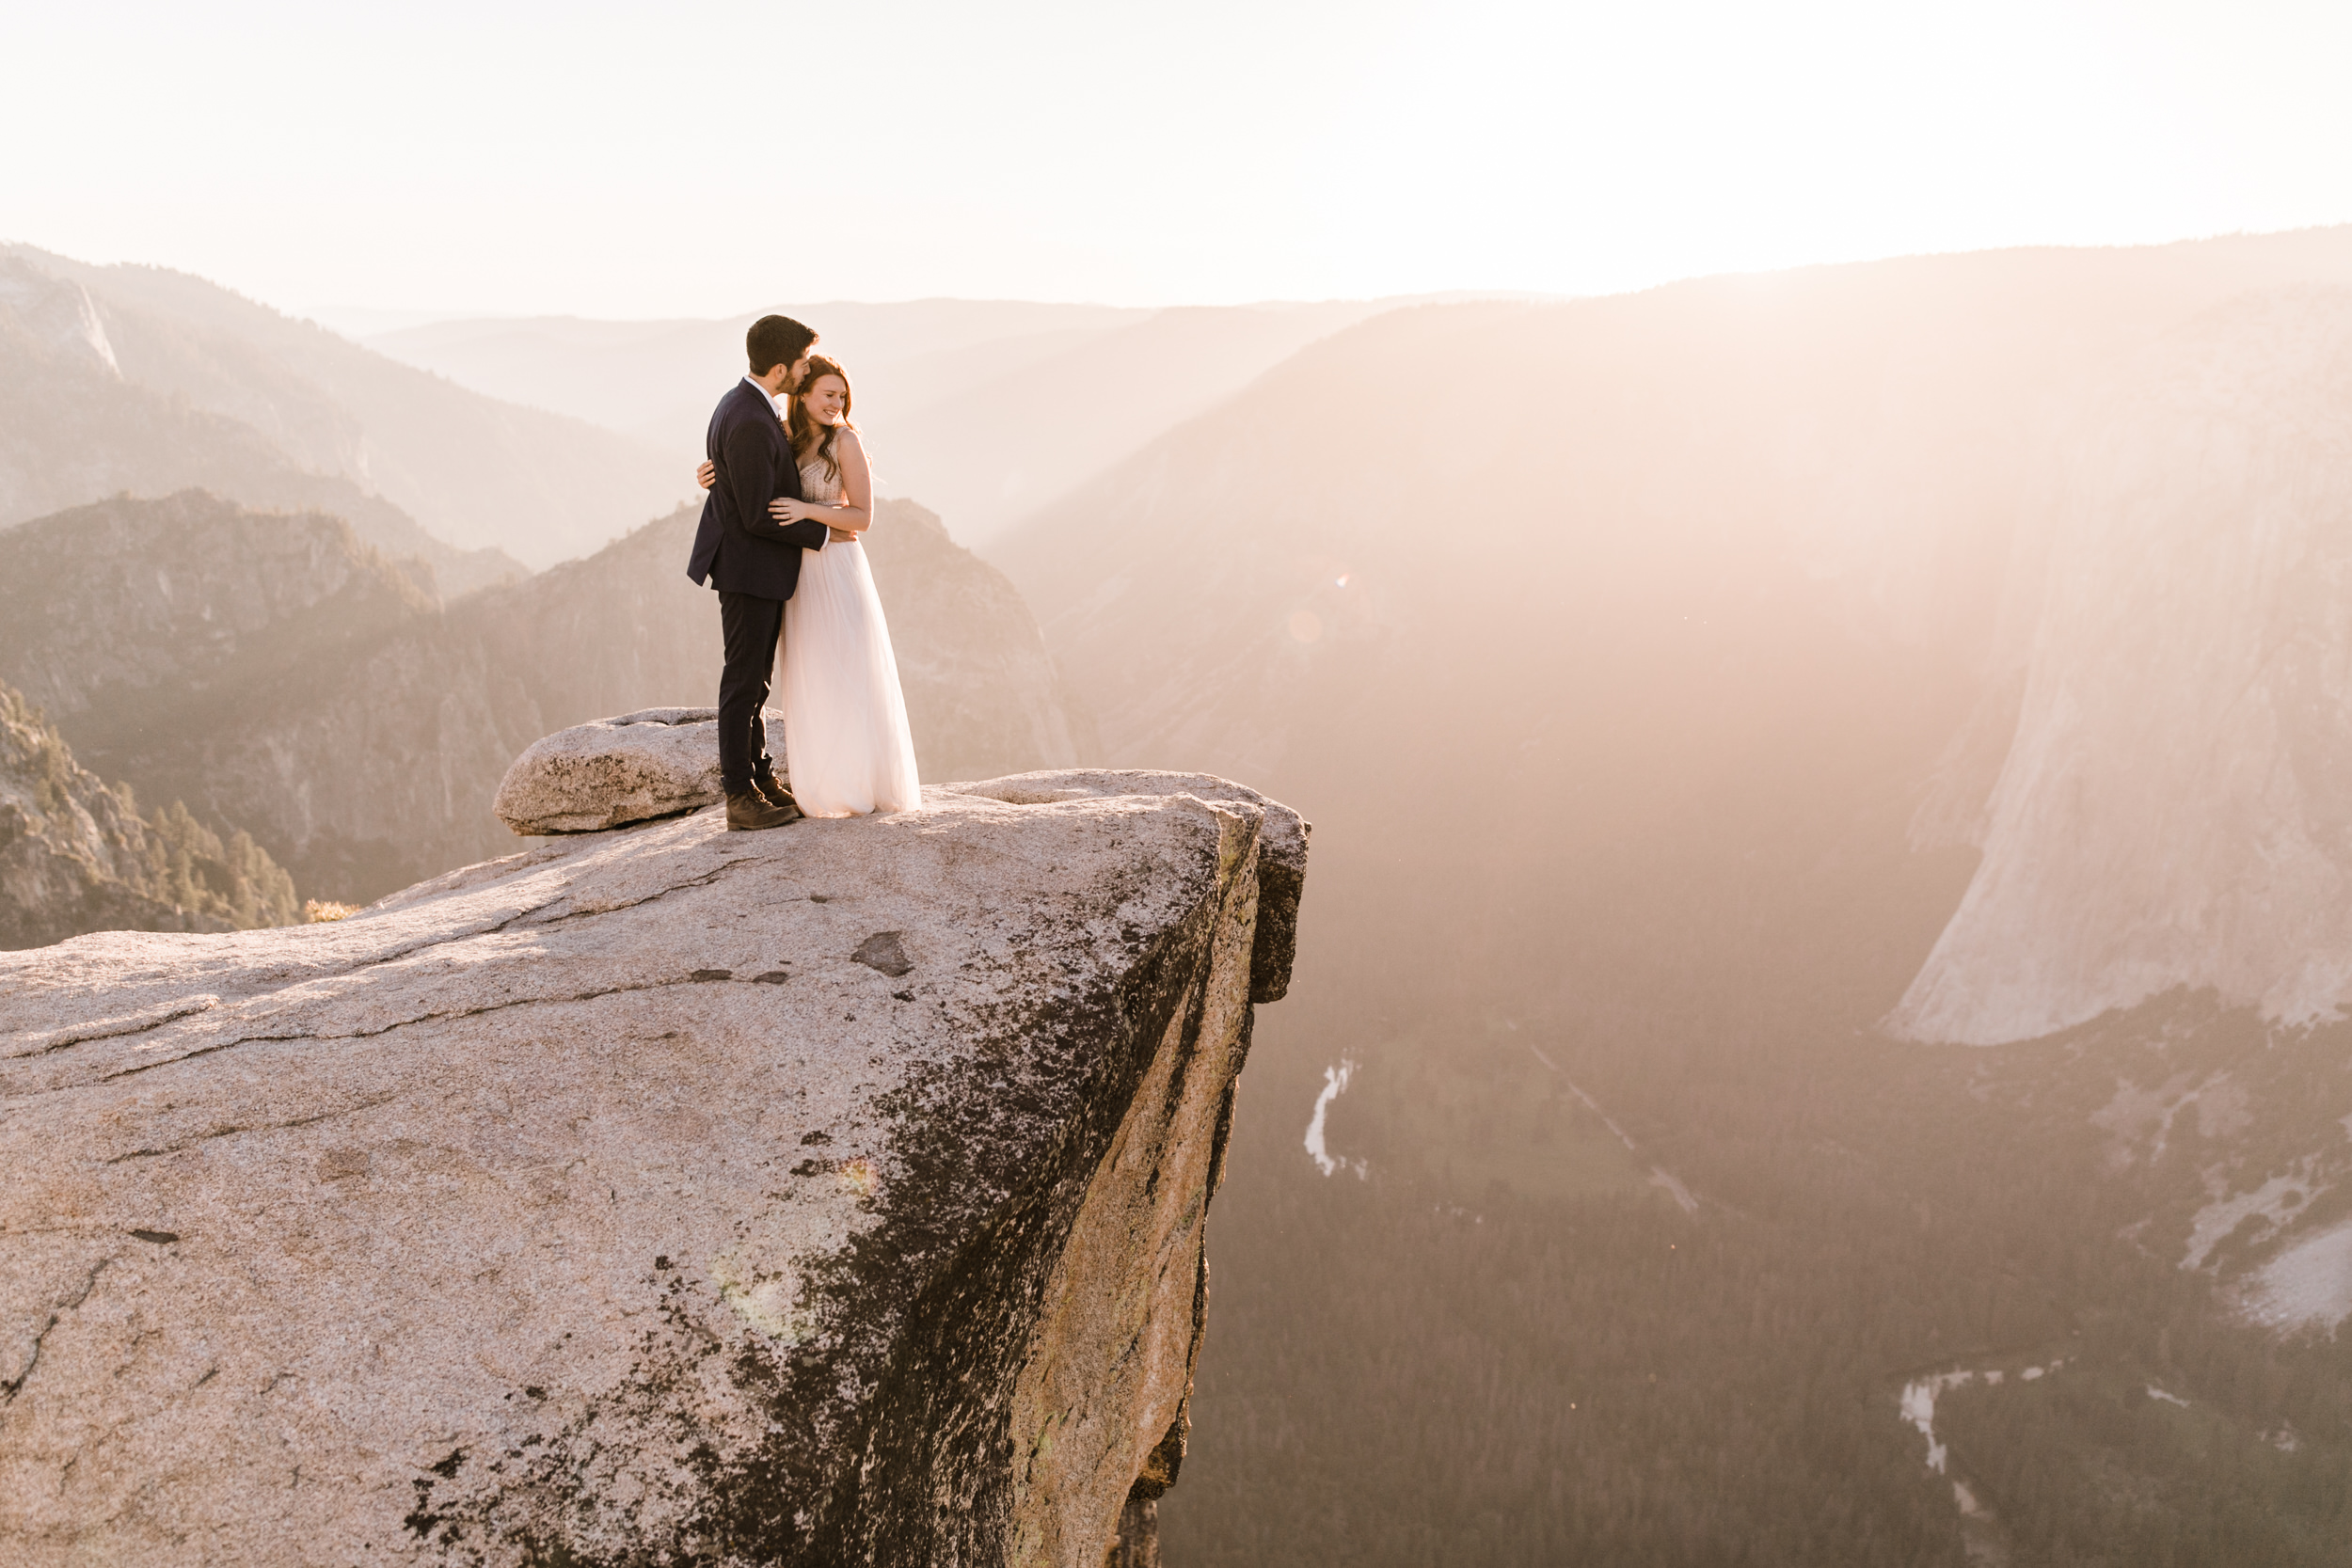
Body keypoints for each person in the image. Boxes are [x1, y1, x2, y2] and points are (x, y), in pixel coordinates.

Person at [696, 356, 921, 816]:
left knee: (847, 675)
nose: (837, 405)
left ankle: (861, 783)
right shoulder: (783, 436)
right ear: (802, 394)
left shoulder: (846, 441)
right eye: (827, 395)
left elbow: (862, 518)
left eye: (842, 396)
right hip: (795, 574)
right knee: (809, 679)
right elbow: (750, 477)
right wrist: (708, 475)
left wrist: (807, 511)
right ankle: (818, 782)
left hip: (837, 571)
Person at [684, 315, 850, 831]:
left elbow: (738, 477)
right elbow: (759, 513)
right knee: (743, 681)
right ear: (781, 368)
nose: (805, 370)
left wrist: (716, 477)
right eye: (802, 363)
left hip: (747, 564)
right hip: (747, 567)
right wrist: (824, 534)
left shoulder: (746, 405)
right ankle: (739, 795)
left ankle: (758, 776)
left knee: (755, 681)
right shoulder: (753, 418)